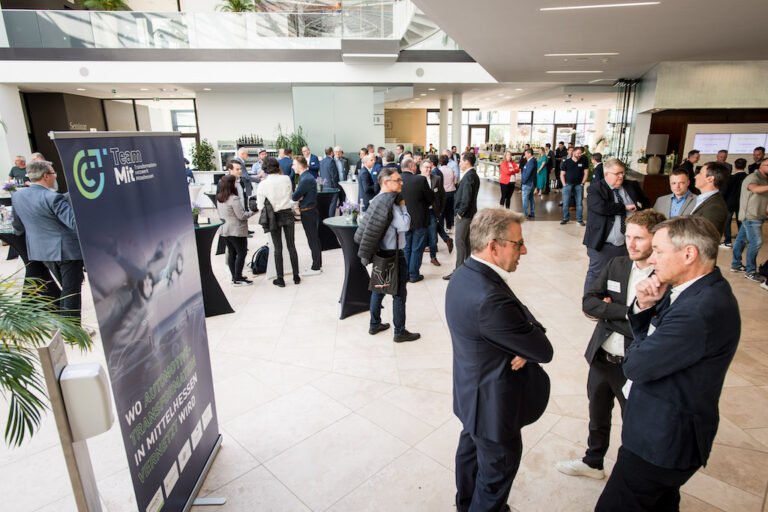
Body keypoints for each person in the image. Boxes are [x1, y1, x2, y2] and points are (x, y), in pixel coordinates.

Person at [595, 216, 740, 512]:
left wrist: (642, 329)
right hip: (668, 435)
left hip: (660, 442)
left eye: (659, 251)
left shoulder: (698, 311)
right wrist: (645, 306)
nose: (651, 259)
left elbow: (635, 366)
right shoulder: (692, 289)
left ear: (688, 254)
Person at [446, 207, 553, 512]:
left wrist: (521, 335)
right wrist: (527, 337)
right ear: (493, 246)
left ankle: (465, 505)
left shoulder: (465, 274)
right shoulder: (491, 299)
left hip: (471, 395)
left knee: (469, 456)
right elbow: (543, 350)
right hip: (494, 408)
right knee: (494, 479)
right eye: (518, 244)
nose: (524, 250)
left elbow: (515, 317)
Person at [556, 209, 666, 481]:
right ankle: (593, 462)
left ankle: (632, 476)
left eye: (639, 238)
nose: (631, 244)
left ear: (656, 240)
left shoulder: (664, 278)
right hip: (602, 357)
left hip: (633, 365)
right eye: (628, 236)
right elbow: (588, 302)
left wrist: (609, 313)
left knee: (635, 425)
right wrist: (630, 312)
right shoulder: (617, 264)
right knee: (597, 415)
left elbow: (655, 328)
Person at [11, 160, 86, 324]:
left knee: (66, 289)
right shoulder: (53, 197)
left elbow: (17, 227)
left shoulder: (17, 196)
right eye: (53, 173)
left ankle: (67, 327)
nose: (55, 177)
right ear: (46, 176)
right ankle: (72, 331)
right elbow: (73, 223)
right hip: (67, 251)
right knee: (71, 291)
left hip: (42, 252)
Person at [354, 166, 420, 343]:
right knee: (399, 294)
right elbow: (405, 225)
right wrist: (404, 207)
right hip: (394, 254)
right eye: (397, 180)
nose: (401, 183)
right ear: (386, 182)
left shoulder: (376, 200)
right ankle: (399, 332)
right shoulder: (392, 203)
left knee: (379, 288)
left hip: (380, 251)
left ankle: (374, 324)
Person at [583, 158, 649, 294]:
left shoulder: (632, 186)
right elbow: (601, 207)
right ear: (606, 174)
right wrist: (624, 207)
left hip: (627, 245)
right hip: (603, 244)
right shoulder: (595, 189)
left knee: (622, 277)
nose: (621, 176)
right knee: (596, 275)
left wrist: (638, 208)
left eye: (622, 173)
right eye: (617, 173)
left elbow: (646, 204)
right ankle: (590, 301)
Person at [256, 157, 300, 287]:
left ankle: (280, 279)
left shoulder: (263, 184)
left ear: (265, 168)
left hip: (273, 217)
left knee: (277, 248)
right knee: (291, 246)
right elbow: (290, 194)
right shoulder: (286, 179)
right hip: (287, 213)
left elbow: (259, 206)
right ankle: (296, 276)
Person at [444, 152, 480, 281]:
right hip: (469, 214)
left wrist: (460, 212)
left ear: (467, 162)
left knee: (460, 242)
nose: (459, 163)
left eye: (461, 161)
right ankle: (469, 269)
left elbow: (467, 198)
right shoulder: (472, 174)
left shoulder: (470, 176)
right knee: (466, 242)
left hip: (464, 216)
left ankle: (458, 271)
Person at [731, 158, 768, 283]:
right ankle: (750, 271)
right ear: (762, 166)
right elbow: (754, 189)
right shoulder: (753, 177)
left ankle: (736, 264)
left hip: (758, 216)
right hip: (751, 217)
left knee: (741, 240)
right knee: (756, 242)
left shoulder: (765, 179)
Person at [216, 174, 254, 286]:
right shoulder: (234, 199)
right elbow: (241, 216)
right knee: (241, 253)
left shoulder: (219, 198)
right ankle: (238, 278)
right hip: (236, 230)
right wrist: (253, 212)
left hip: (225, 230)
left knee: (232, 253)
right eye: (235, 182)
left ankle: (235, 277)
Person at [400, 157, 433, 283]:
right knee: (417, 248)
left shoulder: (397, 179)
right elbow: (430, 198)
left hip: (403, 220)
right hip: (420, 219)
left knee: (406, 248)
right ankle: (413, 275)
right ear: (412, 167)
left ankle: (405, 274)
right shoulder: (420, 179)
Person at [292, 155, 323, 276]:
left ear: (300, 166)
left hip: (308, 212)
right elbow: (298, 196)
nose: (292, 167)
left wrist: (299, 196)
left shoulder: (305, 179)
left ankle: (316, 267)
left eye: (294, 164)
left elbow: (295, 196)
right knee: (314, 239)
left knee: (312, 239)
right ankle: (318, 264)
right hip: (310, 211)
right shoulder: (306, 177)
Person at [422, 159, 452, 266]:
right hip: (420, 213)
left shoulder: (437, 179)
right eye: (426, 167)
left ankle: (433, 257)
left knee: (433, 237)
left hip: (432, 212)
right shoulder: (417, 179)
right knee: (420, 237)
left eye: (430, 167)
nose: (429, 169)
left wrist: (440, 211)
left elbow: (443, 196)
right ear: (421, 168)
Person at [690, 161, 729, 238]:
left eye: (700, 173)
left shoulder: (715, 207)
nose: (696, 176)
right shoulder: (705, 199)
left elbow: (706, 237)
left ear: (710, 179)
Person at [720, 158, 748, 247]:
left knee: (727, 222)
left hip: (730, 203)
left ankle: (727, 241)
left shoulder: (730, 178)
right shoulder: (747, 177)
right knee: (741, 222)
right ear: (745, 166)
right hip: (742, 203)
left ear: (735, 166)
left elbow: (725, 191)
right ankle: (742, 241)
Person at [560, 146, 589, 225]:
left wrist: (582, 183)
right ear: (573, 153)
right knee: (566, 203)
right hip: (567, 185)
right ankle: (566, 219)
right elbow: (562, 174)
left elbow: (586, 173)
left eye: (580, 153)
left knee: (579, 203)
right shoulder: (566, 162)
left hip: (579, 185)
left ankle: (579, 220)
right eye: (578, 153)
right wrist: (564, 184)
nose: (580, 155)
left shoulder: (583, 161)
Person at [319, 146, 341, 216]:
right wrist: (336, 186)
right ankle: (330, 220)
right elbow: (334, 175)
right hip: (332, 187)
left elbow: (321, 174)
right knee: (332, 205)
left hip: (324, 186)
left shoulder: (322, 162)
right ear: (332, 153)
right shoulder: (331, 161)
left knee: (326, 205)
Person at [440, 154, 457, 232]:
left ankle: (441, 228)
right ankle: (449, 227)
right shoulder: (451, 169)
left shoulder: (439, 170)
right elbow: (455, 181)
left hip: (442, 193)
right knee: (449, 210)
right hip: (450, 192)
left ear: (440, 162)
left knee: (442, 211)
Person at [520, 149, 536, 219]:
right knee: (531, 198)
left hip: (528, 183)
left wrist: (523, 181)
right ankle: (532, 213)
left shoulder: (531, 162)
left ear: (530, 154)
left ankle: (525, 214)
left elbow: (528, 173)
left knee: (525, 199)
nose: (525, 155)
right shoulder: (532, 161)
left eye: (526, 154)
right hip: (531, 183)